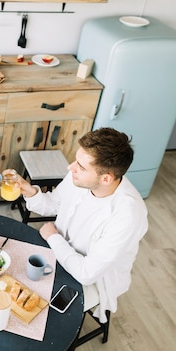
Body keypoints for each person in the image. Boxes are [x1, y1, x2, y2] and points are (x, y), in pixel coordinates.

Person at [14, 128, 148, 322]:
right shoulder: (82, 178)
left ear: (106, 178)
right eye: (76, 160)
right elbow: (53, 204)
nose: (70, 168)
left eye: (81, 167)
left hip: (94, 280)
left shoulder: (127, 215)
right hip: (58, 250)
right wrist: (29, 191)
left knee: (33, 310)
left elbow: (86, 274)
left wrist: (53, 237)